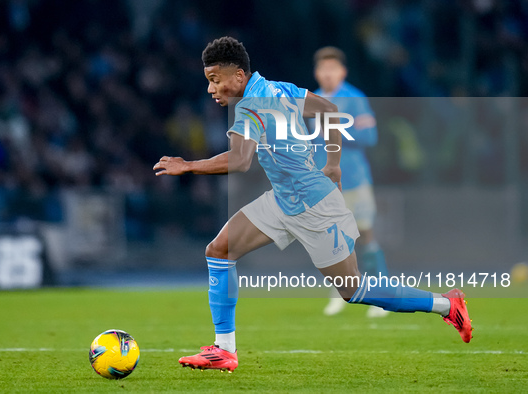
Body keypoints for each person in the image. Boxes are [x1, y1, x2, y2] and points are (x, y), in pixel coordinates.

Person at [153, 37, 473, 373]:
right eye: (208, 81)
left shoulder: (252, 105)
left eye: (214, 80)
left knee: (354, 289)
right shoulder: (279, 88)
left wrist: (187, 165)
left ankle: (447, 305)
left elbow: (241, 159)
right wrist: (332, 164)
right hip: (283, 199)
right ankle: (224, 350)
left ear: (239, 75)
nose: (211, 89)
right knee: (219, 250)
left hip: (314, 206)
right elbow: (329, 110)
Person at [311, 46, 388, 318]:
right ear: (317, 72)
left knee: (365, 233)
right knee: (331, 239)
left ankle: (382, 296)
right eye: (323, 69)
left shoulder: (355, 99)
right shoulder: (313, 100)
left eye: (333, 69)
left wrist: (338, 131)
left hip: (354, 179)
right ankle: (339, 294)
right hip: (325, 184)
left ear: (342, 71)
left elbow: (370, 138)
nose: (328, 74)